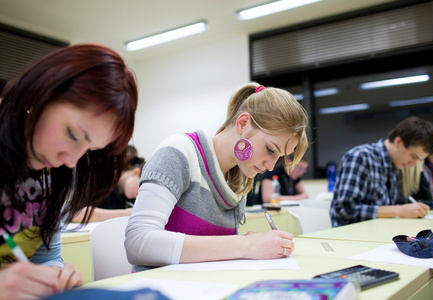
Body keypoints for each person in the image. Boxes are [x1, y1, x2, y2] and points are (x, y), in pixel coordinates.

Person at [0, 43, 138, 299]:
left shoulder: (50, 167)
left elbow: (46, 256)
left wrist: (55, 276)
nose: (71, 161)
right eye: (72, 134)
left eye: (87, 149)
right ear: (42, 92)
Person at [125, 82, 308, 271]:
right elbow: (138, 243)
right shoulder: (178, 152)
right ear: (243, 124)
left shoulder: (240, 179)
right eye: (270, 149)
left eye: (277, 157)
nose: (270, 166)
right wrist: (247, 245)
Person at [330, 116, 433, 227]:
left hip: (379, 232)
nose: (413, 164)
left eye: (419, 160)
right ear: (398, 141)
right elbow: (345, 210)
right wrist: (398, 210)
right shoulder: (361, 156)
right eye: (413, 156)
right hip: (350, 236)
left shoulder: (393, 165)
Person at [71, 146, 145, 223]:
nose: (138, 196)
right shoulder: (99, 180)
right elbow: (76, 214)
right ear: (135, 172)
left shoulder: (130, 197)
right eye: (140, 189)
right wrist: (125, 214)